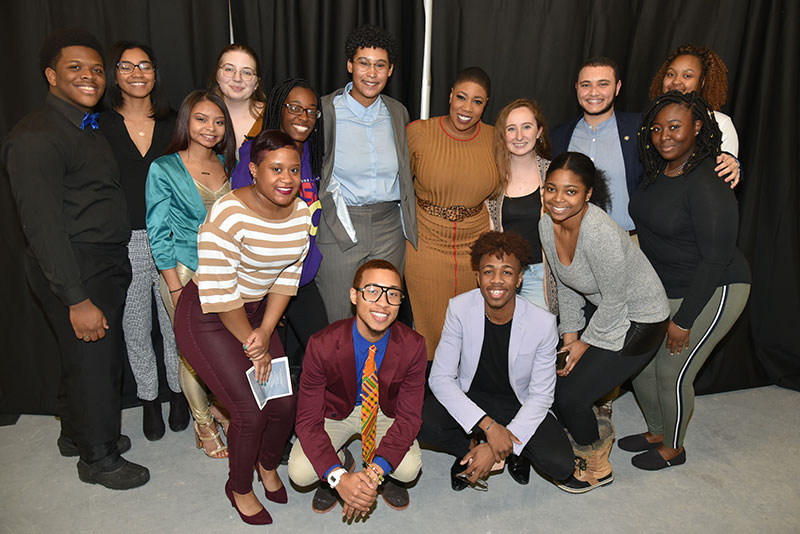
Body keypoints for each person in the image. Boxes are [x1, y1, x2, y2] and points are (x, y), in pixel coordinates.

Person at [3, 29, 148, 489]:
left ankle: (76, 434)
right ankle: (98, 458)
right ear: (50, 76)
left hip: (101, 261)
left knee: (81, 360)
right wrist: (75, 297)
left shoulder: (82, 125)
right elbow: (42, 227)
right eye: (75, 68)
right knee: (95, 365)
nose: (89, 76)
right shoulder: (35, 138)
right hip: (76, 268)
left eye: (96, 70)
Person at [174, 129, 309, 525]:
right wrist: (257, 347)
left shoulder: (300, 213)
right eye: (276, 169)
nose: (287, 178)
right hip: (208, 316)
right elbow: (221, 292)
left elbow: (288, 278)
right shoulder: (229, 213)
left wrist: (265, 332)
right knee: (249, 411)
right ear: (253, 170)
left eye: (294, 170)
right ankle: (239, 486)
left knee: (283, 403)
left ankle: (267, 466)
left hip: (255, 316)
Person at [625, 91, 751, 470]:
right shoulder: (656, 171)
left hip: (716, 287)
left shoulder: (709, 178)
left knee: (672, 371)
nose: (664, 135)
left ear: (698, 127)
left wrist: (684, 321)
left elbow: (716, 258)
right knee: (642, 367)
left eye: (675, 127)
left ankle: (674, 448)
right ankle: (657, 430)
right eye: (657, 128)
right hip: (669, 288)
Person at [538, 152, 670, 493]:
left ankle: (597, 463)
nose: (558, 199)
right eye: (551, 189)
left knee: (572, 398)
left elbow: (614, 300)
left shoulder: (599, 233)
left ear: (588, 194)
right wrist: (569, 337)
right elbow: (566, 284)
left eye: (570, 191)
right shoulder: (545, 224)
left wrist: (583, 345)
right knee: (557, 386)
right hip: (610, 314)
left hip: (642, 319)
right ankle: (586, 435)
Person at [420, 231, 574, 492]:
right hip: (472, 397)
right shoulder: (459, 309)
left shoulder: (542, 323)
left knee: (560, 464)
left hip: (517, 402)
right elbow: (440, 377)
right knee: (418, 421)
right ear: (478, 277)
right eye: (489, 271)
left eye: (507, 272)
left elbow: (540, 396)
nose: (497, 280)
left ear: (519, 278)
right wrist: (488, 428)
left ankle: (510, 451)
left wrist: (497, 446)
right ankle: (469, 449)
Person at [98, 40, 187, 441]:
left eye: (145, 66)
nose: (137, 74)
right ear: (114, 74)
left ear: (155, 73)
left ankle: (178, 393)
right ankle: (149, 399)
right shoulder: (99, 124)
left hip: (171, 235)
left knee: (176, 322)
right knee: (135, 326)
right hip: (126, 238)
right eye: (127, 66)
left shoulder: (173, 122)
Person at [288, 260, 426, 516]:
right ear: (354, 295)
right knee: (300, 472)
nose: (383, 303)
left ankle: (387, 476)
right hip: (336, 411)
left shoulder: (414, 346)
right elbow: (307, 419)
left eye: (393, 294)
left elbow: (409, 418)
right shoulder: (322, 344)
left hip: (384, 410)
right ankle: (342, 461)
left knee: (408, 469)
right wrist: (338, 477)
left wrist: (374, 473)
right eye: (372, 291)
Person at [145, 89, 236, 459]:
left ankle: (219, 409)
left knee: (222, 349)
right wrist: (174, 285)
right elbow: (157, 232)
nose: (210, 128)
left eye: (218, 121)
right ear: (186, 121)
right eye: (201, 119)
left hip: (225, 272)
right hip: (183, 272)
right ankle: (203, 423)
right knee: (190, 353)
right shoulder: (164, 168)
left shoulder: (227, 165)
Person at [551, 57, 738, 235]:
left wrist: (732, 163)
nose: (593, 92)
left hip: (631, 243)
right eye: (586, 85)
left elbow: (686, 159)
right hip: (571, 243)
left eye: (603, 84)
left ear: (617, 88)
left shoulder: (644, 128)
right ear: (576, 88)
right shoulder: (558, 136)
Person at [315, 24, 417, 323]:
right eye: (364, 63)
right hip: (339, 225)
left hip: (389, 229)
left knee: (382, 316)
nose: (371, 73)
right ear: (350, 65)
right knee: (338, 318)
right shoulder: (325, 110)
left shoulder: (397, 112)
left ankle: (376, 372)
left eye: (380, 65)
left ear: (390, 70)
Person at [231, 77, 329, 365]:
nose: (304, 117)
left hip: (301, 276)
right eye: (295, 108)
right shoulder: (256, 154)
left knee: (313, 358)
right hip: (264, 281)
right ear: (278, 108)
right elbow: (242, 223)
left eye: (312, 111)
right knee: (268, 366)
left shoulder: (311, 151)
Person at [405, 66, 500, 360]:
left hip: (477, 244)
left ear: (486, 105)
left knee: (473, 326)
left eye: (477, 101)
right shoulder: (419, 133)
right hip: (427, 244)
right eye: (461, 97)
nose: (467, 108)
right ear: (449, 95)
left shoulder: (496, 139)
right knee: (429, 327)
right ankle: (432, 387)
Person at [487, 98, 555, 311]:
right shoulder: (492, 177)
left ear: (539, 131)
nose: (519, 136)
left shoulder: (554, 174)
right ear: (502, 135)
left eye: (526, 127)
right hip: (503, 276)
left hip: (541, 277)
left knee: (535, 341)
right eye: (511, 129)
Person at [648, 44, 740, 185]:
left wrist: (734, 164)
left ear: (701, 82)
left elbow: (724, 179)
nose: (676, 81)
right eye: (671, 74)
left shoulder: (719, 123)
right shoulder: (648, 121)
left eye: (687, 76)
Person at [208, 43, 266, 154]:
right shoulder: (199, 117)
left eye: (247, 72)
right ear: (217, 76)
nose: (237, 78)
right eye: (229, 69)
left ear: (257, 83)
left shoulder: (274, 117)